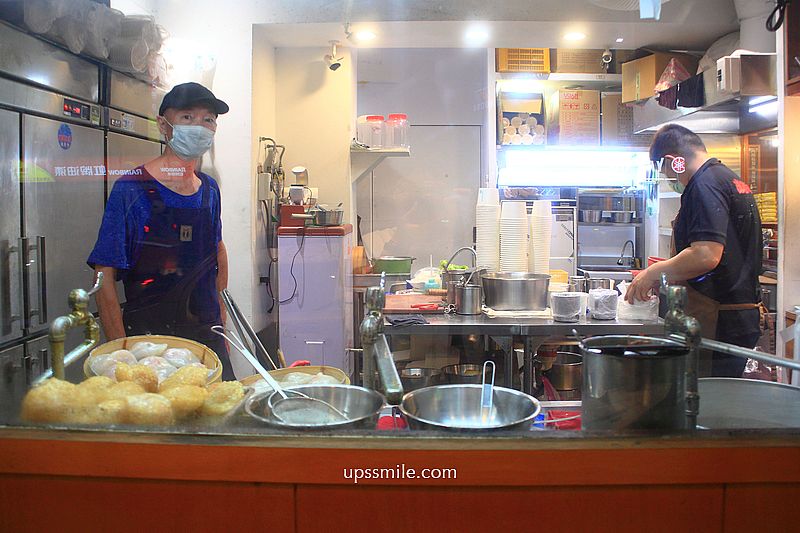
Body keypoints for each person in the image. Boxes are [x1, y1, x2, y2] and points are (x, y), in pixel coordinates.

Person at [88, 82, 235, 380]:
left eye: (208, 119)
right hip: (150, 346)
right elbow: (104, 276)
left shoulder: (209, 190)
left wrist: (222, 323)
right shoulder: (132, 189)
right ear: (163, 124)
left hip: (207, 338)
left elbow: (216, 251)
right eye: (187, 117)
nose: (199, 127)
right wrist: (122, 354)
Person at [626, 124, 763, 377]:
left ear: (674, 161)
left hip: (719, 318)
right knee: (722, 394)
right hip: (736, 315)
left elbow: (705, 255)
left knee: (709, 396)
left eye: (667, 173)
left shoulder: (704, 185)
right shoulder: (727, 178)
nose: (672, 180)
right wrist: (670, 276)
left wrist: (652, 272)